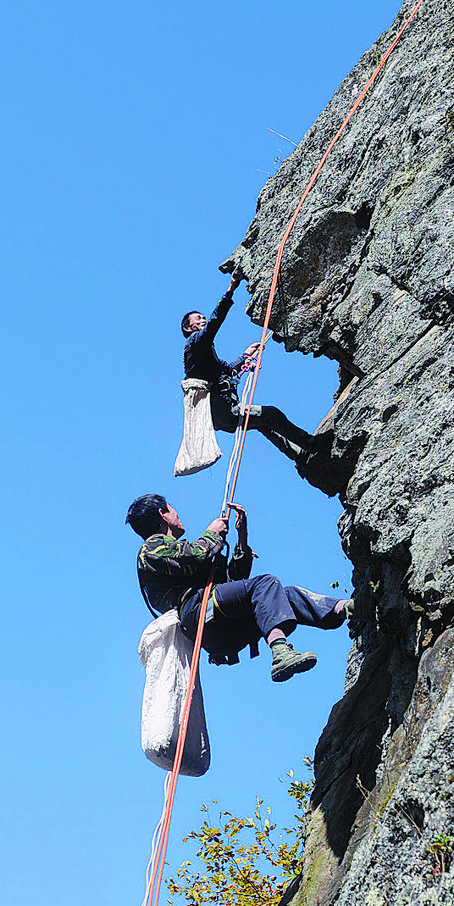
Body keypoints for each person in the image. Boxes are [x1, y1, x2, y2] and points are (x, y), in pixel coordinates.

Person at [126, 493, 351, 682]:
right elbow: (192, 557)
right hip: (198, 613)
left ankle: (346, 609)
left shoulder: (178, 551)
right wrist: (212, 533)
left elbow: (235, 581)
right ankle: (280, 650)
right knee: (266, 583)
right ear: (162, 514)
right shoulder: (151, 548)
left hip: (218, 622)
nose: (178, 514)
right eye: (172, 509)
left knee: (285, 595)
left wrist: (241, 536)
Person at [182, 274, 324, 467]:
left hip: (220, 412)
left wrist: (246, 355)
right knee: (270, 414)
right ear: (187, 327)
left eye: (203, 317)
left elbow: (226, 369)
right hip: (222, 409)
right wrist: (230, 292)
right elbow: (215, 323)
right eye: (198, 318)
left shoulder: (204, 352)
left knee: (262, 422)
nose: (204, 319)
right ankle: (311, 444)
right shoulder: (195, 343)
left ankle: (298, 454)